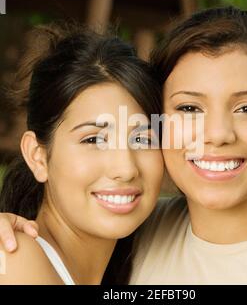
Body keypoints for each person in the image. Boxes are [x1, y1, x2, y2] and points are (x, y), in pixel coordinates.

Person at [1, 6, 247, 284]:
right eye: (190, 109)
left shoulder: (133, 229)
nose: (218, 134)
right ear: (37, 156)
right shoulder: (137, 227)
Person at [0, 24, 164, 284]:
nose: (126, 168)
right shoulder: (13, 256)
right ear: (37, 156)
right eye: (93, 139)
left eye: (142, 139)